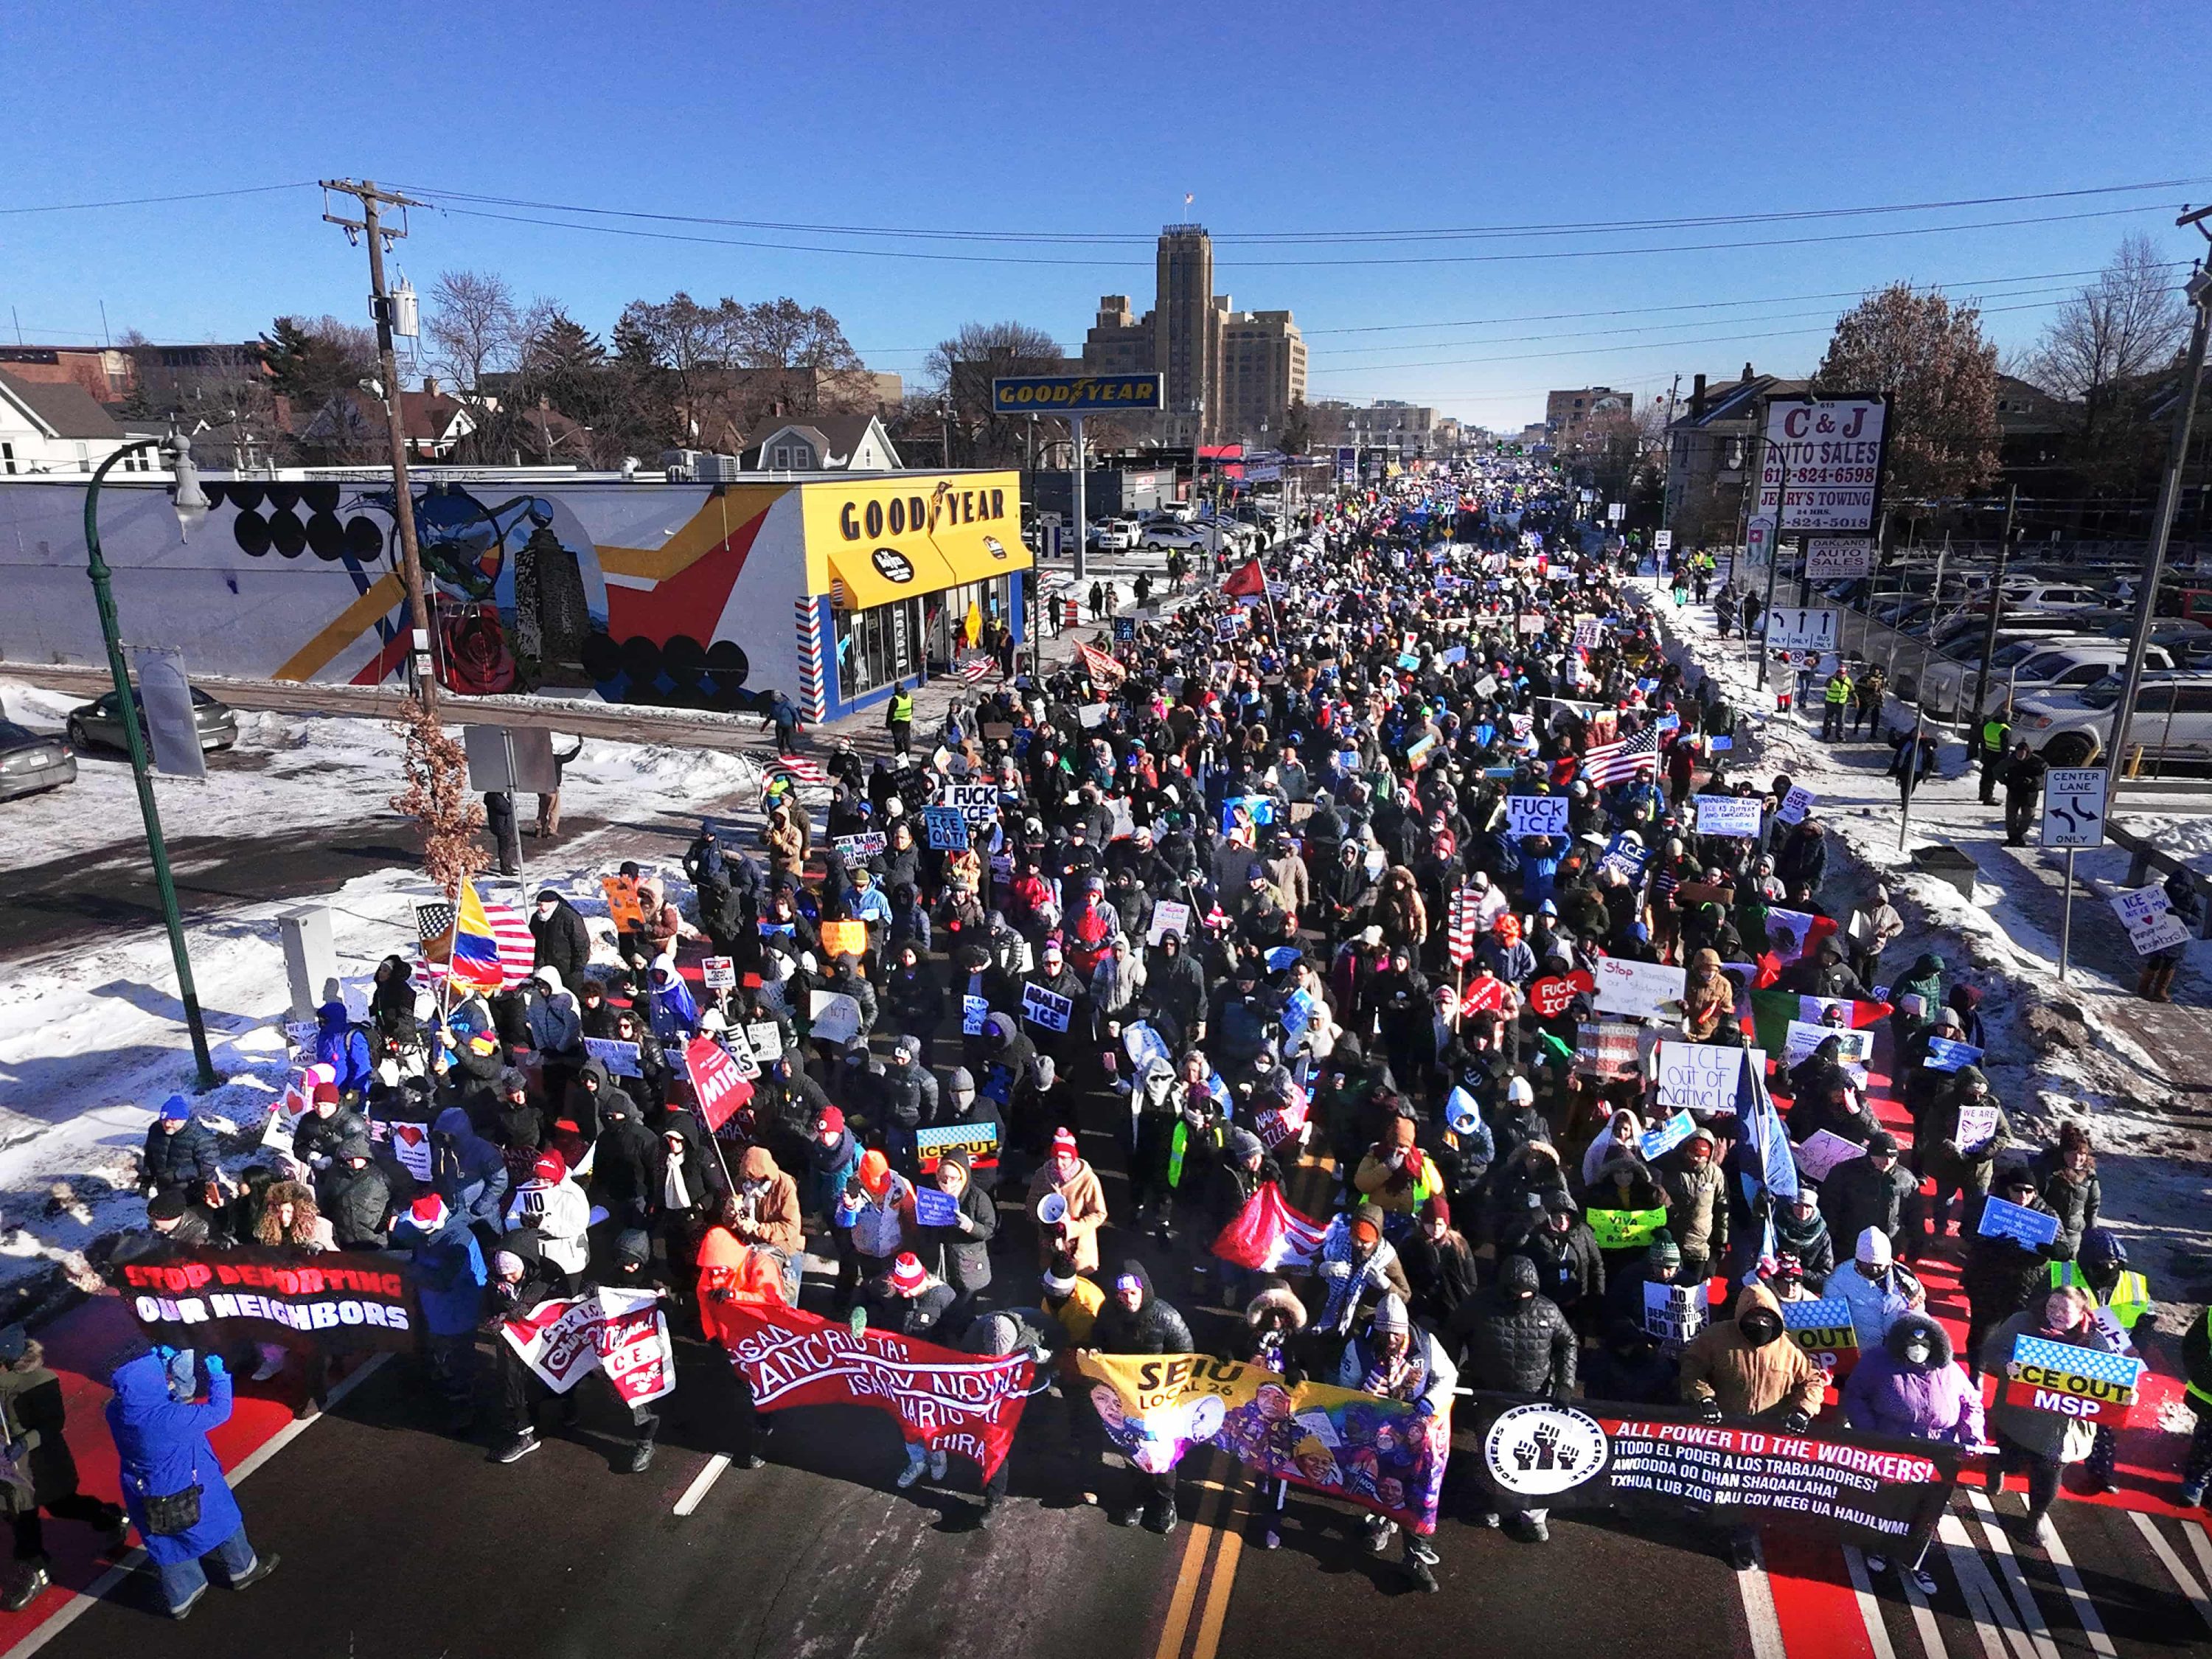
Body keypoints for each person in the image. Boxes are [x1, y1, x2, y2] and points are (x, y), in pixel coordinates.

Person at [106, 1346, 279, 1620]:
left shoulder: (117, 1413)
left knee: (167, 1545)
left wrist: (161, 1373)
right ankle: (243, 1568)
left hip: (144, 1492)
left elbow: (156, 1401)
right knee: (224, 1521)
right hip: (191, 1483)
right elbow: (220, 1412)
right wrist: (219, 1376)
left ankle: (182, 1596)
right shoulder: (169, 1420)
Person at [1677, 1282, 1824, 1570]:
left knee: (1751, 1494)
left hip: (1764, 1439)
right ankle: (1709, 1520)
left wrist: (1803, 1410)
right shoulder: (1715, 1337)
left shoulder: (1790, 1349)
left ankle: (1742, 1541)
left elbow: (1812, 1381)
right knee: (1716, 1484)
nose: (1760, 1324)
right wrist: (1704, 1397)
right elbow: (1692, 1367)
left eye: (1767, 1319)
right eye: (1754, 1318)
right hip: (1723, 1431)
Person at [1842, 1312, 1986, 1595]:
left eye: (1925, 1345)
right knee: (1886, 1502)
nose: (1918, 1350)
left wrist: (1972, 1436)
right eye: (1911, 1344)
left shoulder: (1951, 1370)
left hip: (1937, 1455)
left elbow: (1972, 1405)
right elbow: (1855, 1396)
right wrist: (1871, 1433)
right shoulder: (1876, 1363)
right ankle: (1879, 1546)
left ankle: (1915, 1558)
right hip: (1894, 1451)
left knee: (1927, 1510)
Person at [1328, 1293, 1455, 1591]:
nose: (1392, 1340)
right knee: (1381, 1483)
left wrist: (1429, 1400)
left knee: (1419, 1494)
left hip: (1416, 1435)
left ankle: (1415, 1558)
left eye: (1397, 1334)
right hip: (1376, 1432)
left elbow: (1448, 1376)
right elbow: (1346, 1389)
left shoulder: (1425, 1344)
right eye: (1386, 1333)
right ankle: (1381, 1523)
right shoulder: (1359, 1346)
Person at [0, 1325, 127, 1612]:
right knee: (22, 1519)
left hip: (42, 1464)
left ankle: (110, 1517)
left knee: (62, 1506)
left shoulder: (42, 1380)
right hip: (10, 1472)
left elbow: (52, 1424)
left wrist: (24, 1442)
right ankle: (37, 1570)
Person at [1448, 1257, 1575, 1542]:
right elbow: (1453, 1332)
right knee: (1492, 1455)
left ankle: (1533, 1516)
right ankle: (1494, 1505)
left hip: (1535, 1398)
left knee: (1538, 1458)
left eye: (1526, 1293)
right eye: (1514, 1292)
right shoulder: (1479, 1306)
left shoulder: (1549, 1311)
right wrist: (1453, 1372)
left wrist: (1565, 1385)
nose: (1520, 1298)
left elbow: (1568, 1343)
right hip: (1490, 1393)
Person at [1982, 1286, 2122, 1542]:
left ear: (2082, 1313)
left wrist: (2125, 1395)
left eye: (2063, 1310)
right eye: (2051, 1307)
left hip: (2062, 1430)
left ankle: (2035, 1517)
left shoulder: (2096, 1340)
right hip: (2018, 1418)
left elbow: (2112, 1382)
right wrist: (2007, 1367)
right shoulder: (2022, 1322)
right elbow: (1993, 1351)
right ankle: (1997, 1466)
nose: (2054, 1314)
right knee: (2011, 1460)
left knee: (2047, 1474)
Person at [1086, 1259, 1193, 1535]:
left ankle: (1163, 1503)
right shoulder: (1109, 1312)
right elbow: (1096, 1339)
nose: (1127, 1299)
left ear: (1143, 1291)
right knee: (1131, 1451)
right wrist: (1095, 1351)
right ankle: (1138, 1497)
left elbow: (1186, 1356)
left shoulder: (1166, 1317)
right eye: (1122, 1295)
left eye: (1132, 1293)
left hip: (1158, 1403)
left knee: (1160, 1456)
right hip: (1124, 1399)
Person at [1832, 1228, 1927, 1349]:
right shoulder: (1840, 1278)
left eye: (1878, 1265)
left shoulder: (1908, 1284)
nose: (1874, 1270)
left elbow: (1918, 1322)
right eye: (1868, 1266)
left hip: (1894, 1355)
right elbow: (1831, 1320)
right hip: (1857, 1353)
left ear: (1889, 1263)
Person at [2001, 740, 2045, 847]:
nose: (2019, 755)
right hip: (2014, 792)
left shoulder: (2038, 762)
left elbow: (2046, 776)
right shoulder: (2010, 761)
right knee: (2011, 816)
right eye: (2018, 753)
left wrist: (2034, 782)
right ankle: (2012, 837)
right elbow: (1997, 770)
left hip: (2030, 794)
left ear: (2027, 753)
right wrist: (2006, 781)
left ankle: (2019, 835)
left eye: (2022, 753)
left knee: (2028, 816)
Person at [886, 680, 916, 758]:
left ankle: (901, 758)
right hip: (906, 724)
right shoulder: (909, 697)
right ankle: (906, 755)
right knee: (907, 742)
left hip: (897, 725)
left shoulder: (895, 700)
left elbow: (890, 713)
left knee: (898, 743)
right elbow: (911, 709)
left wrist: (888, 724)